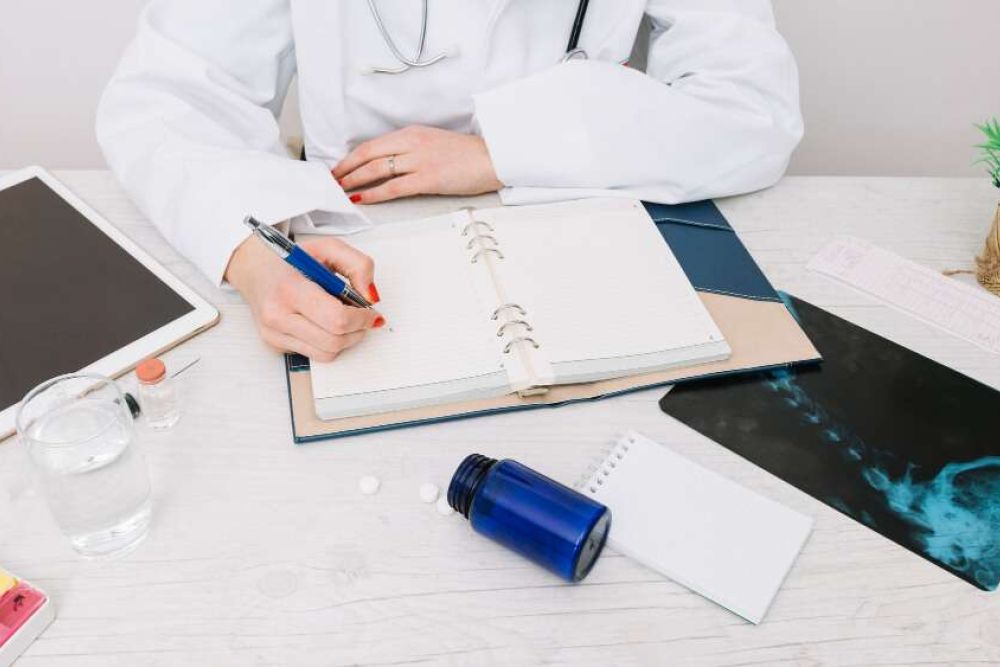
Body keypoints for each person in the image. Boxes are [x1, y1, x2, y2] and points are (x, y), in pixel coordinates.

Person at [97, 1, 803, 362]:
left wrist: (501, 149)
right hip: (356, 233)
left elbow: (754, 111)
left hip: (575, 223)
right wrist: (252, 254)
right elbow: (163, 99)